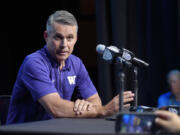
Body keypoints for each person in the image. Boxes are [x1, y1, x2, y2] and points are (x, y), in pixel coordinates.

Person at [6, 10, 134, 124]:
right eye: (58, 37)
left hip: (54, 130)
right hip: (23, 131)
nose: (64, 44)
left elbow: (95, 102)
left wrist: (86, 106)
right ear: (46, 36)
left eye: (69, 38)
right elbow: (55, 109)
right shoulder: (33, 62)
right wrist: (104, 111)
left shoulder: (76, 63)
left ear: (76, 39)